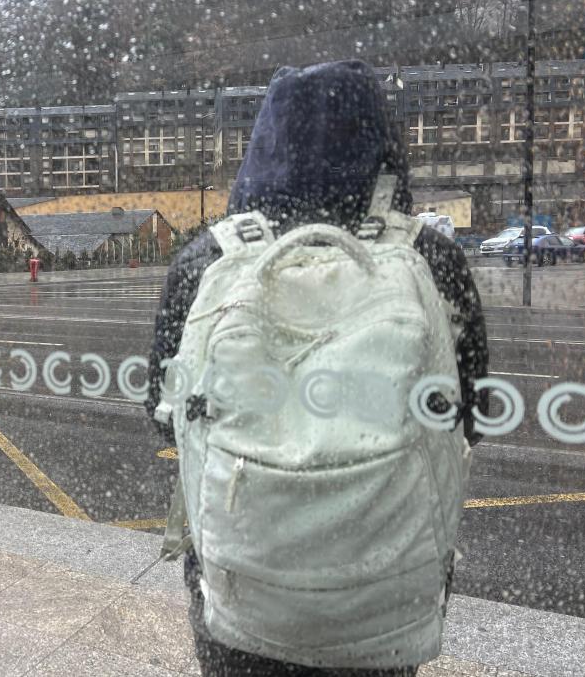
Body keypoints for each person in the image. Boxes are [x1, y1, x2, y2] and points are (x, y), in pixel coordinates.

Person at [145, 60, 488, 677]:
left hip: (244, 594)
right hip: (382, 595)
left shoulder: (206, 259)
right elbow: (473, 415)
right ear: (384, 142)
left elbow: (159, 412)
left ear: (262, 143)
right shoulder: (431, 260)